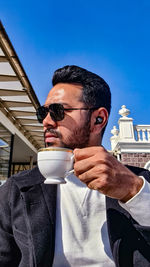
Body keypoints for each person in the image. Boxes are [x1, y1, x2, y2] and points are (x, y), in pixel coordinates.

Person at [0, 65, 150, 267]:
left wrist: (133, 191)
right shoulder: (16, 189)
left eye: (58, 111)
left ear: (99, 119)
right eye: (43, 112)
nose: (46, 121)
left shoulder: (140, 184)